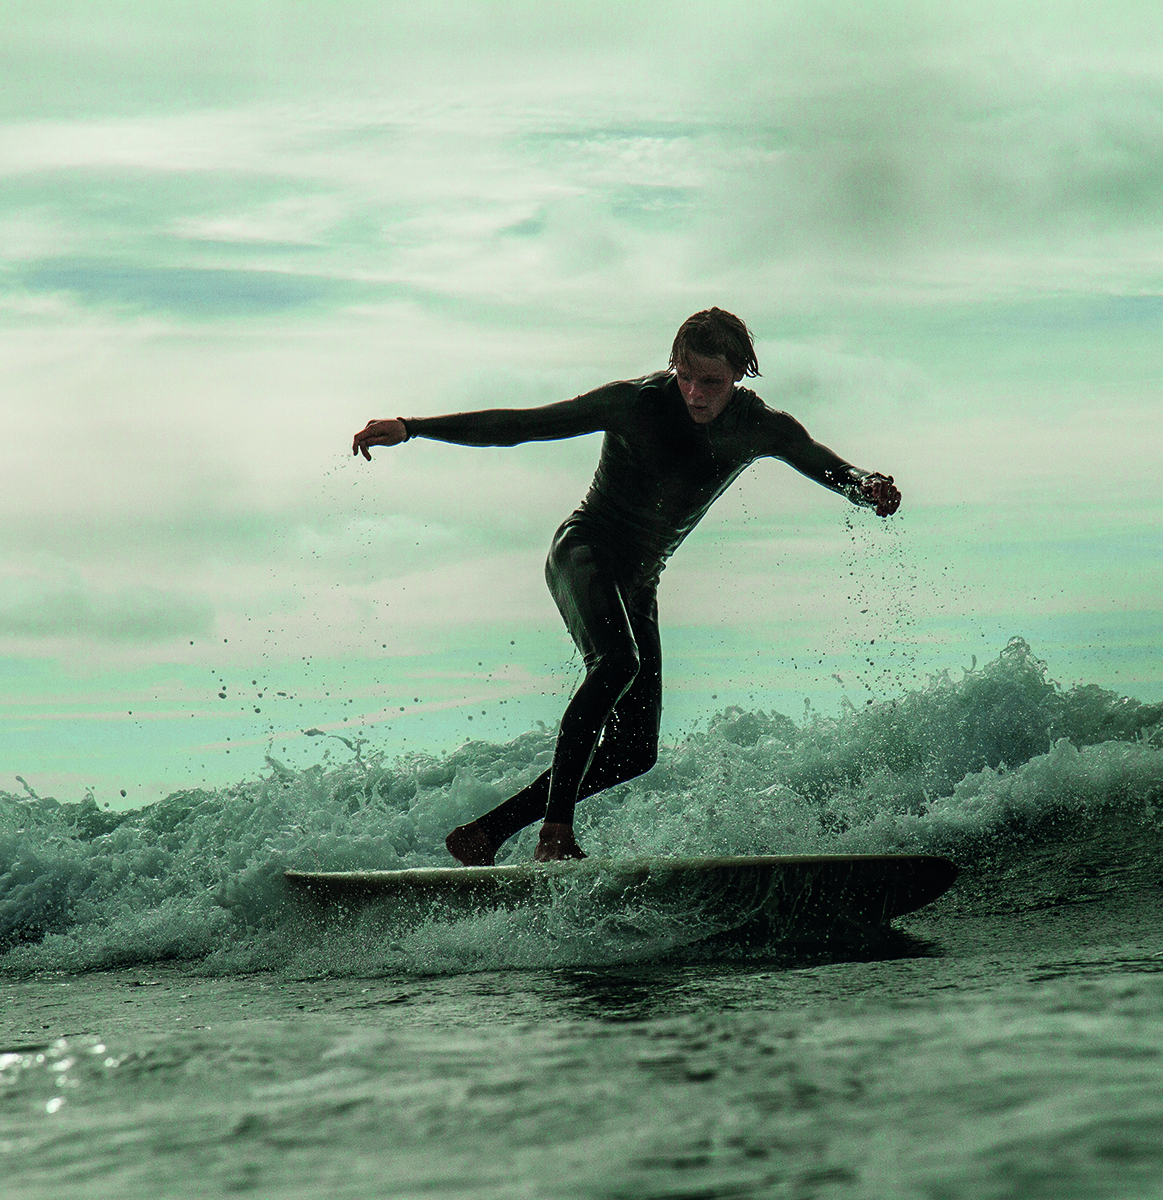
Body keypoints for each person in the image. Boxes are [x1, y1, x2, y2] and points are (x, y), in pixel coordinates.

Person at [351, 308, 900, 865]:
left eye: (710, 381)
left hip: (639, 580)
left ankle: (487, 833)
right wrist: (415, 427)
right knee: (616, 663)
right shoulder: (635, 403)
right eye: (685, 376)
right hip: (585, 551)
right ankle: (554, 837)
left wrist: (868, 487)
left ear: (740, 374)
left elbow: (829, 468)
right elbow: (523, 424)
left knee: (635, 751)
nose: (694, 393)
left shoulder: (761, 426)